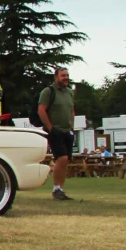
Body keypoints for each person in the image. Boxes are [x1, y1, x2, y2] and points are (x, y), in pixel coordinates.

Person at [37, 66, 76, 201]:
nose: (66, 77)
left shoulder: (70, 92)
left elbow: (71, 110)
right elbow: (41, 110)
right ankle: (56, 189)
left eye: (67, 75)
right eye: (63, 75)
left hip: (67, 130)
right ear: (56, 77)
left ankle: (61, 189)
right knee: (62, 158)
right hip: (55, 130)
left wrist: (72, 127)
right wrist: (50, 127)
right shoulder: (48, 91)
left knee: (66, 161)